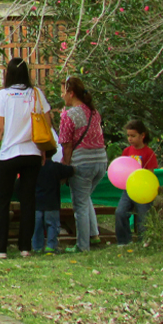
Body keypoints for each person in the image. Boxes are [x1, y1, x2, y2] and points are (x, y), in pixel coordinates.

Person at [0, 57, 51, 259]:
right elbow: (47, 122)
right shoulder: (37, 94)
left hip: (10, 153)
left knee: (3, 201)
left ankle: (0, 248)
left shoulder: (4, 95)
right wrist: (43, 151)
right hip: (32, 152)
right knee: (28, 200)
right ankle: (25, 247)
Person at [59, 76, 108, 252]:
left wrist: (65, 166)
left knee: (79, 204)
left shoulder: (69, 115)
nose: (62, 95)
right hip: (101, 161)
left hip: (82, 163)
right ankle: (93, 235)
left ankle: (82, 245)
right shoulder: (94, 112)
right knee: (85, 197)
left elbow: (66, 144)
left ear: (71, 93)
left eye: (64, 91)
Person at [116, 120, 159, 245]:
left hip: (142, 190)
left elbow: (150, 174)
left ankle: (143, 241)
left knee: (143, 216)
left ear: (142, 136)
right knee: (120, 212)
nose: (130, 139)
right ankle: (124, 242)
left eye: (133, 136)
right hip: (128, 188)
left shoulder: (148, 153)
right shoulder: (127, 151)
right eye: (128, 135)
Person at [33, 148, 73, 254]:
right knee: (52, 225)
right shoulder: (56, 167)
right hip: (52, 203)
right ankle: (51, 246)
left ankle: (37, 247)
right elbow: (72, 170)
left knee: (37, 227)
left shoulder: (34, 168)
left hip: (37, 203)